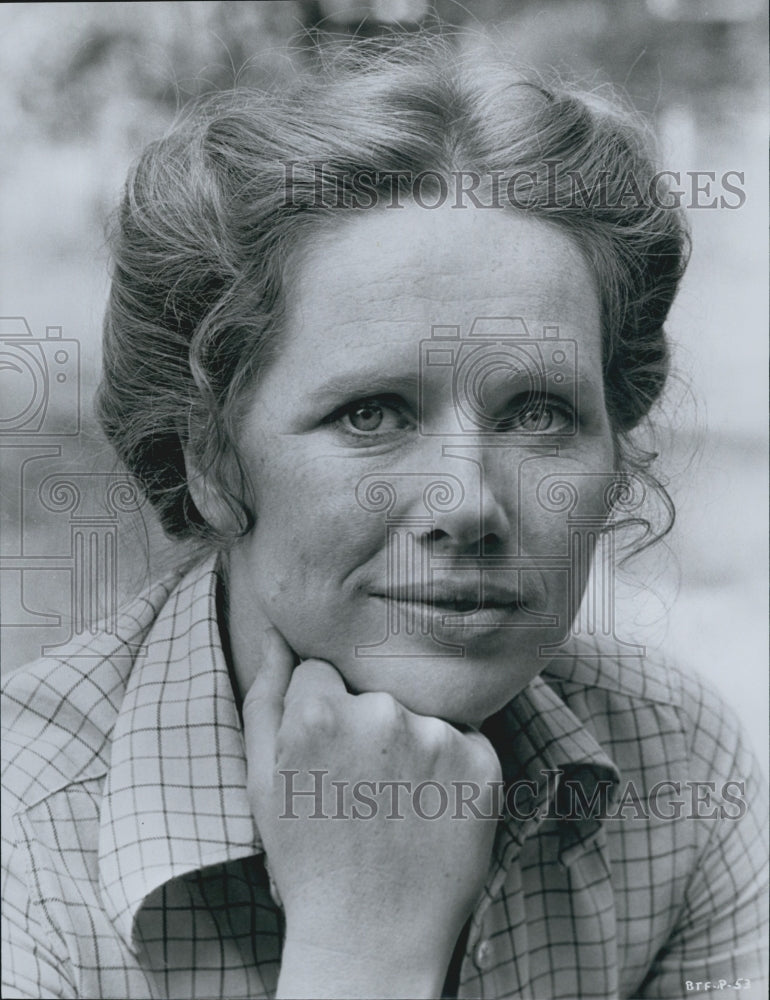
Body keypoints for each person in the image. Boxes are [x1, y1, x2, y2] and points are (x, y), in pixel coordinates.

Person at [2, 41, 767, 1000]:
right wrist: (363, 955)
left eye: (539, 414)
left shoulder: (675, 765)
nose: (468, 505)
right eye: (371, 414)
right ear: (208, 457)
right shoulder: (25, 850)